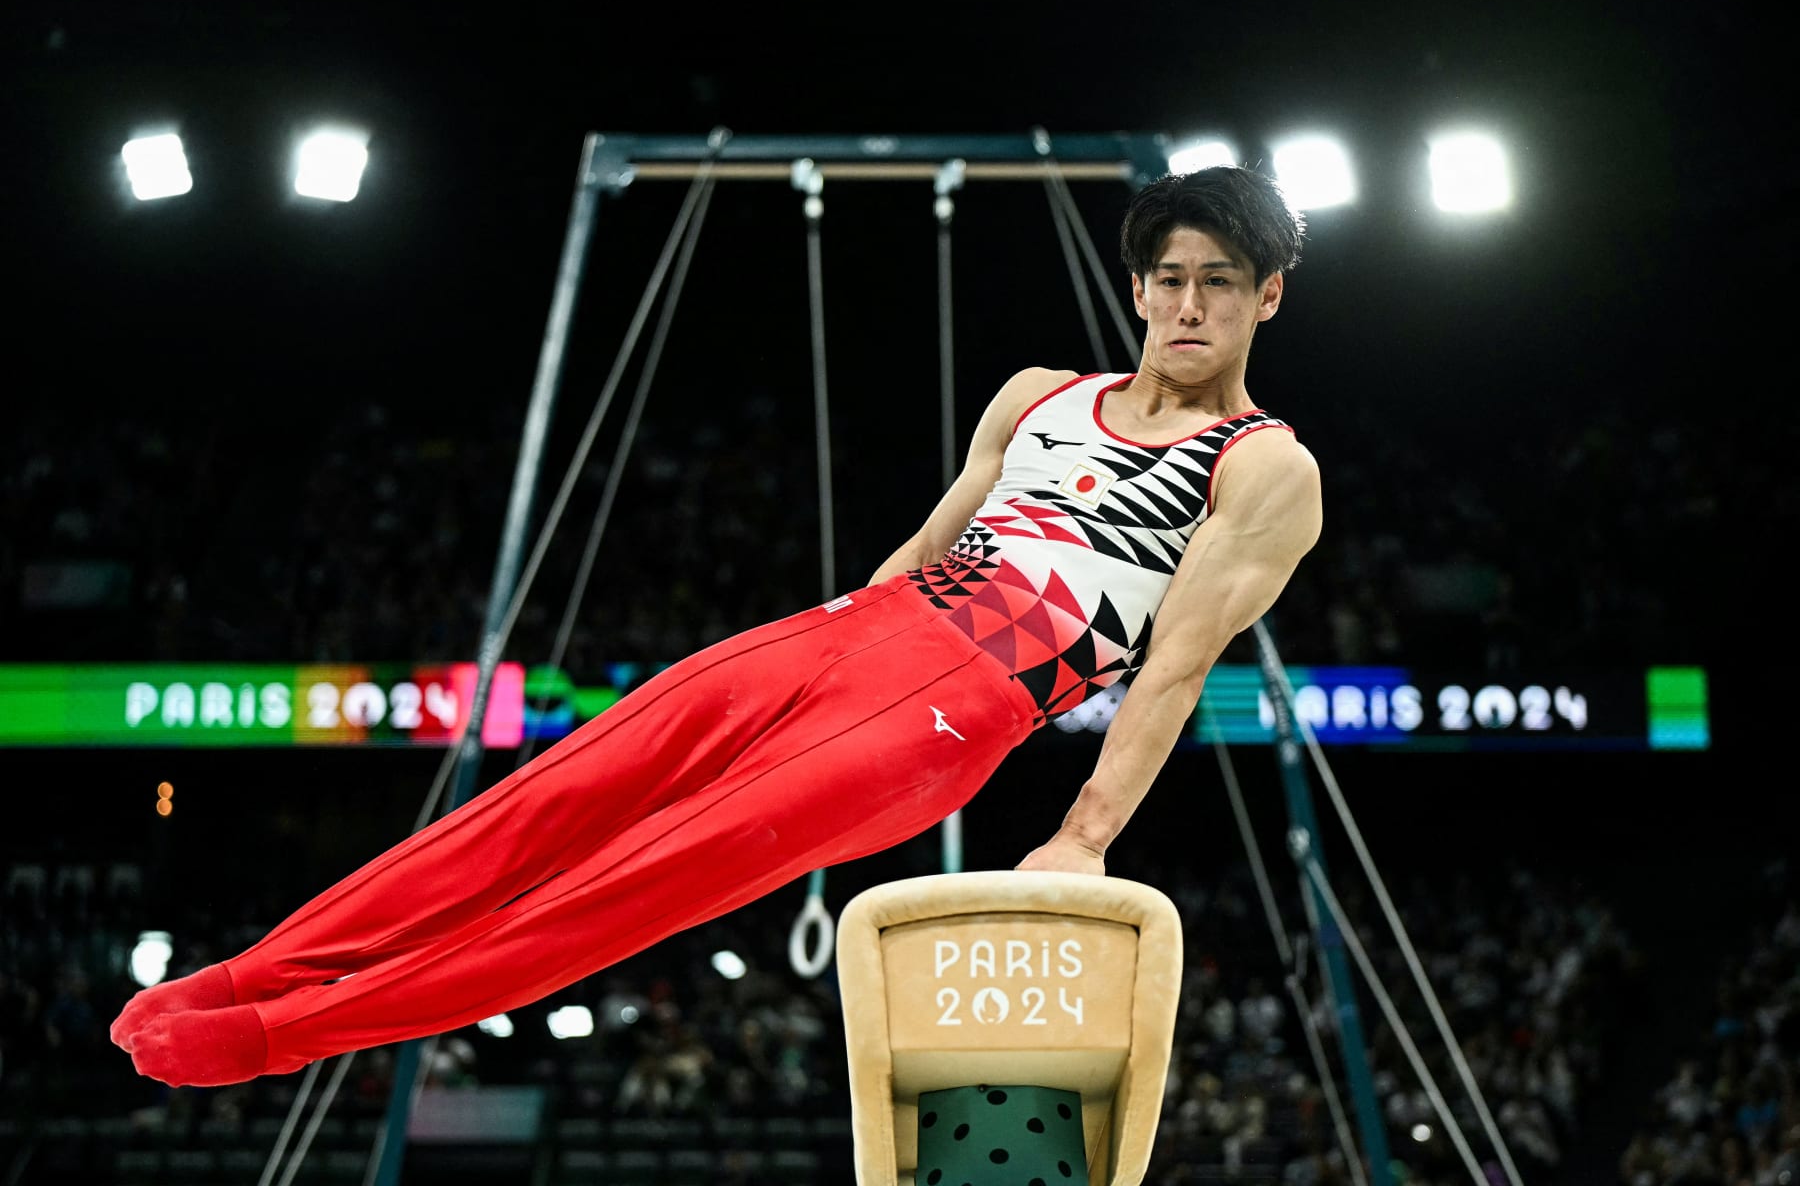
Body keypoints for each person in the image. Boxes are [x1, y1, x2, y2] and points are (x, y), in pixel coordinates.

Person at [109, 164, 1320, 1088]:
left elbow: (1176, 666)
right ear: (1137, 286)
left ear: (1267, 296)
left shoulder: (1263, 468)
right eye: (1170, 275)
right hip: (850, 630)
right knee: (536, 806)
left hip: (960, 706)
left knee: (620, 888)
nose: (1190, 303)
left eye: (1221, 281)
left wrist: (1082, 837)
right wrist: (840, 623)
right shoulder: (1040, 397)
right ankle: (246, 974)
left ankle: (275, 1036)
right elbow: (932, 539)